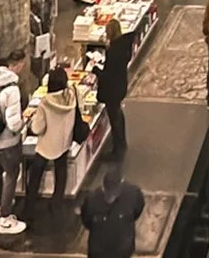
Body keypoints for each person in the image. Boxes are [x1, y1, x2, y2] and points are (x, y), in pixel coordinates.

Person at [25, 64, 78, 221]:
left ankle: (29, 207)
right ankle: (57, 203)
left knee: (36, 174)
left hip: (47, 145)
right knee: (60, 171)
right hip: (64, 141)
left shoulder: (45, 104)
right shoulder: (72, 95)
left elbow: (37, 128)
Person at [0, 47, 27, 238]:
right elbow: (13, 123)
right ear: (17, 65)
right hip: (7, 142)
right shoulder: (12, 90)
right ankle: (5, 218)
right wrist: (23, 124)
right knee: (11, 175)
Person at [80, 164, 145, 258]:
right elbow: (138, 209)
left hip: (107, 251)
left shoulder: (92, 200)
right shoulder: (133, 194)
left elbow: (86, 220)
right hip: (116, 250)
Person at [95, 16, 133, 158]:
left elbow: (108, 74)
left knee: (114, 117)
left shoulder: (113, 52)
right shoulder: (123, 47)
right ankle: (122, 142)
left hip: (113, 89)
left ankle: (117, 149)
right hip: (121, 85)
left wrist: (96, 70)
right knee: (119, 114)